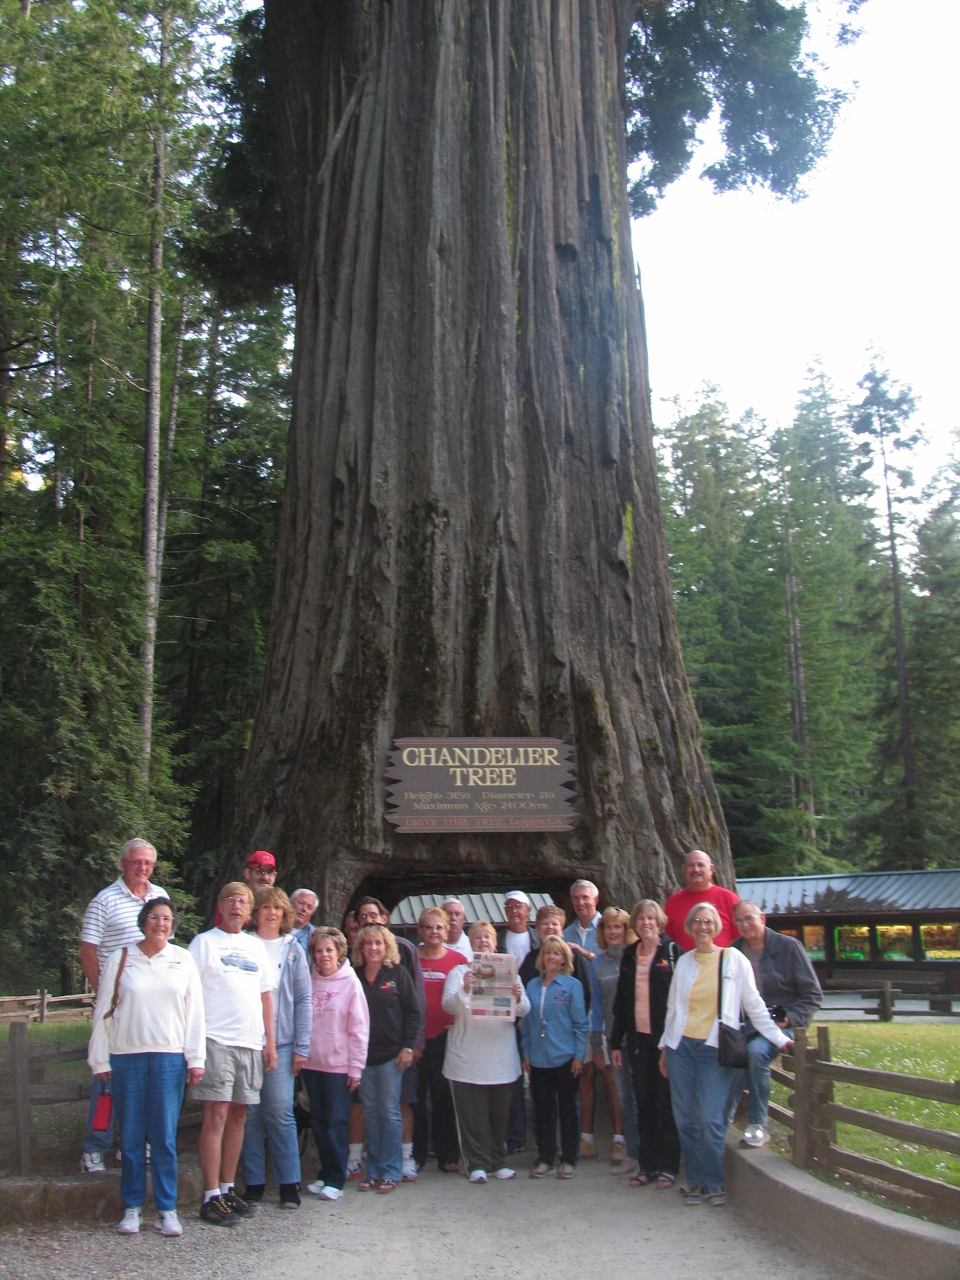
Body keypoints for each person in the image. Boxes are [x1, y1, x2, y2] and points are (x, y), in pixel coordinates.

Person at [659, 902, 792, 1207]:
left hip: (713, 1049)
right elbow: (672, 1009)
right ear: (691, 927)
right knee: (685, 1119)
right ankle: (695, 1182)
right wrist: (664, 1048)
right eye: (697, 922)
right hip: (681, 1047)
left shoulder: (734, 960)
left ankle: (714, 1182)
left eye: (708, 921)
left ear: (716, 927)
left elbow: (754, 1005)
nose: (702, 927)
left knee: (709, 1118)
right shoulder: (684, 962)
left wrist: (778, 1037)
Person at [88, 897, 204, 1236]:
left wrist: (195, 1058)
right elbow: (102, 1010)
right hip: (127, 1058)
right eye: (154, 917)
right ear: (143, 921)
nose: (160, 923)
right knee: (133, 1136)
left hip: (169, 1058)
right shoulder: (121, 958)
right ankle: (133, 1207)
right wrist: (99, 1059)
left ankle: (167, 1208)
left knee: (165, 1137)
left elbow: (194, 1011)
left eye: (167, 918)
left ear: (173, 925)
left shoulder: (183, 959)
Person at [189, 882, 278, 1226]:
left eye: (243, 901)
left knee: (241, 1117)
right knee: (216, 1115)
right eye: (230, 900)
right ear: (221, 906)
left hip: (250, 1041)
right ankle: (210, 1194)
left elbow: (265, 996)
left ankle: (228, 1188)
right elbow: (192, 994)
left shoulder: (255, 947)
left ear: (250, 909)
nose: (236, 906)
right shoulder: (204, 943)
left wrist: (269, 1042)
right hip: (216, 1039)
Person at [79, 837, 168, 1173]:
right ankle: (95, 1147)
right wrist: (107, 995)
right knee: (106, 1078)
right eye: (135, 862)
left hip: (149, 1010)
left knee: (145, 1076)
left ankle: (132, 1144)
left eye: (147, 863)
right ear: (122, 864)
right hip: (115, 1009)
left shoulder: (161, 898)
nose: (141, 869)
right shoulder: (104, 901)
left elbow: (164, 950)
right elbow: (87, 952)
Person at [238, 888, 312, 1210]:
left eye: (277, 908)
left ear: (285, 915)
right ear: (255, 913)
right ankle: (253, 1181)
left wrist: (302, 1046)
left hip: (282, 1042)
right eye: (264, 907)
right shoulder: (244, 943)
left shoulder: (292, 949)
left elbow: (304, 999)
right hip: (247, 1039)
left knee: (280, 1110)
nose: (270, 913)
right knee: (249, 1113)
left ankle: (288, 1182)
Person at [726, 900, 822, 1146]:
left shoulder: (789, 947)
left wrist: (788, 1017)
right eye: (739, 920)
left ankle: (758, 1124)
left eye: (749, 919)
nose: (744, 925)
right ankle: (721, 1118)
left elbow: (812, 994)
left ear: (762, 919)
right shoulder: (734, 951)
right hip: (748, 1024)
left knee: (756, 1053)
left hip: (780, 1023)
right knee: (728, 1055)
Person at [442, 921, 530, 1183]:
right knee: (472, 1117)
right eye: (477, 937)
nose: (482, 941)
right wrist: (465, 989)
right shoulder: (459, 973)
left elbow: (524, 1009)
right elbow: (449, 1006)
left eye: (487, 937)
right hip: (467, 1059)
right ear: (470, 943)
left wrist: (516, 996)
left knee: (498, 1115)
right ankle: (476, 1163)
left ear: (495, 943)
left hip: (501, 1058)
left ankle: (497, 1160)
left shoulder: (511, 973)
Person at [610, 900, 682, 1189]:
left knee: (666, 1104)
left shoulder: (672, 953)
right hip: (638, 1042)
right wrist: (616, 1042)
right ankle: (647, 1164)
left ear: (659, 922)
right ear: (635, 924)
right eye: (641, 919)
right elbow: (622, 1004)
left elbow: (681, 1000)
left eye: (651, 918)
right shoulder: (629, 955)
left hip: (666, 1042)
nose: (646, 923)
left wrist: (671, 1041)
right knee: (644, 1103)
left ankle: (668, 1166)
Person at [354, 897, 425, 1180]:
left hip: (391, 1056)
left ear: (387, 947)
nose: (373, 948)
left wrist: (409, 1046)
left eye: (378, 944)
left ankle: (392, 1170)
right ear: (360, 947)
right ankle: (373, 1170)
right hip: (363, 1056)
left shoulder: (398, 973)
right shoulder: (354, 974)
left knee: (390, 1112)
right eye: (368, 943)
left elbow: (413, 1012)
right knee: (370, 1113)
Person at [302, 927, 369, 1201]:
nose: (324, 955)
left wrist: (356, 1068)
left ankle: (336, 1178)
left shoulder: (351, 984)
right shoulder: (310, 980)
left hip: (338, 1066)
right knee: (317, 1121)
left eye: (329, 950)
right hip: (312, 1064)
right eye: (319, 950)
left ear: (340, 952)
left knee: (336, 1122)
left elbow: (359, 1028)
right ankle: (325, 1172)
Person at [521, 937, 588, 1178]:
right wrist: (526, 1052)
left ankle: (569, 1157)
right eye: (547, 953)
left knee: (568, 1108)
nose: (551, 957)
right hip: (539, 1058)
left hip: (565, 1056)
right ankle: (546, 1156)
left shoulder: (572, 986)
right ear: (542, 958)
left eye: (557, 954)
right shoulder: (531, 986)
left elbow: (581, 1024)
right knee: (543, 1109)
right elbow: (527, 1024)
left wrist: (580, 1056)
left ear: (564, 960)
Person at [413, 907, 468, 1172]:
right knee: (416, 1098)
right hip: (416, 1039)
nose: (434, 932)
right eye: (428, 927)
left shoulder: (458, 960)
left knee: (444, 1097)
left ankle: (448, 1154)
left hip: (446, 1037)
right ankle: (417, 1154)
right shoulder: (410, 957)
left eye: (439, 927)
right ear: (420, 931)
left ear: (447, 931)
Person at [588, 908, 637, 1171]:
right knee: (623, 1096)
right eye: (608, 927)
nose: (613, 931)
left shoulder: (635, 956)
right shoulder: (598, 963)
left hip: (638, 1037)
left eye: (618, 927)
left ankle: (647, 1151)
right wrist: (597, 1044)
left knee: (641, 1094)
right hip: (612, 1039)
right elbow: (597, 1007)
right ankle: (631, 1150)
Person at [562, 880, 603, 1157]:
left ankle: (621, 1137)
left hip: (607, 1012)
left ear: (596, 899)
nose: (581, 902)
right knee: (585, 1074)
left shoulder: (611, 926)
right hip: (581, 1014)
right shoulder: (566, 933)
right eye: (576, 898)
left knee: (612, 1079)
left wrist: (586, 954)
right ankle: (586, 1137)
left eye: (585, 897)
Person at [503, 889, 541, 1154]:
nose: (515, 911)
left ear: (528, 911)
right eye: (510, 906)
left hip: (537, 1018)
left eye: (520, 906)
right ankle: (515, 1136)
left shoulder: (541, 942)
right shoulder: (497, 943)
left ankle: (543, 1138)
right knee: (512, 1079)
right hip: (508, 1018)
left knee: (540, 1079)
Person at [663, 850, 740, 952]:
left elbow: (741, 937)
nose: (696, 869)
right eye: (691, 865)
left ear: (711, 869)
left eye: (701, 865)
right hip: (685, 964)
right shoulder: (674, 901)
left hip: (722, 964)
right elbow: (668, 939)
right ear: (684, 869)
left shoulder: (728, 898)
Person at [213, 851, 279, 929]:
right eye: (259, 871)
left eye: (269, 872)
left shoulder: (279, 904)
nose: (265, 877)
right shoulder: (232, 900)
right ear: (247, 873)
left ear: (274, 876)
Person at [500, 890, 539, 963]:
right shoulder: (497, 940)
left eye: (518, 906)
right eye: (509, 907)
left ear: (528, 910)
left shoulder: (539, 938)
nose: (513, 911)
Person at [290, 889, 319, 954]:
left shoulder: (315, 936)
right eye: (301, 903)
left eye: (309, 907)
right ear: (290, 903)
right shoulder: (275, 926)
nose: (304, 909)